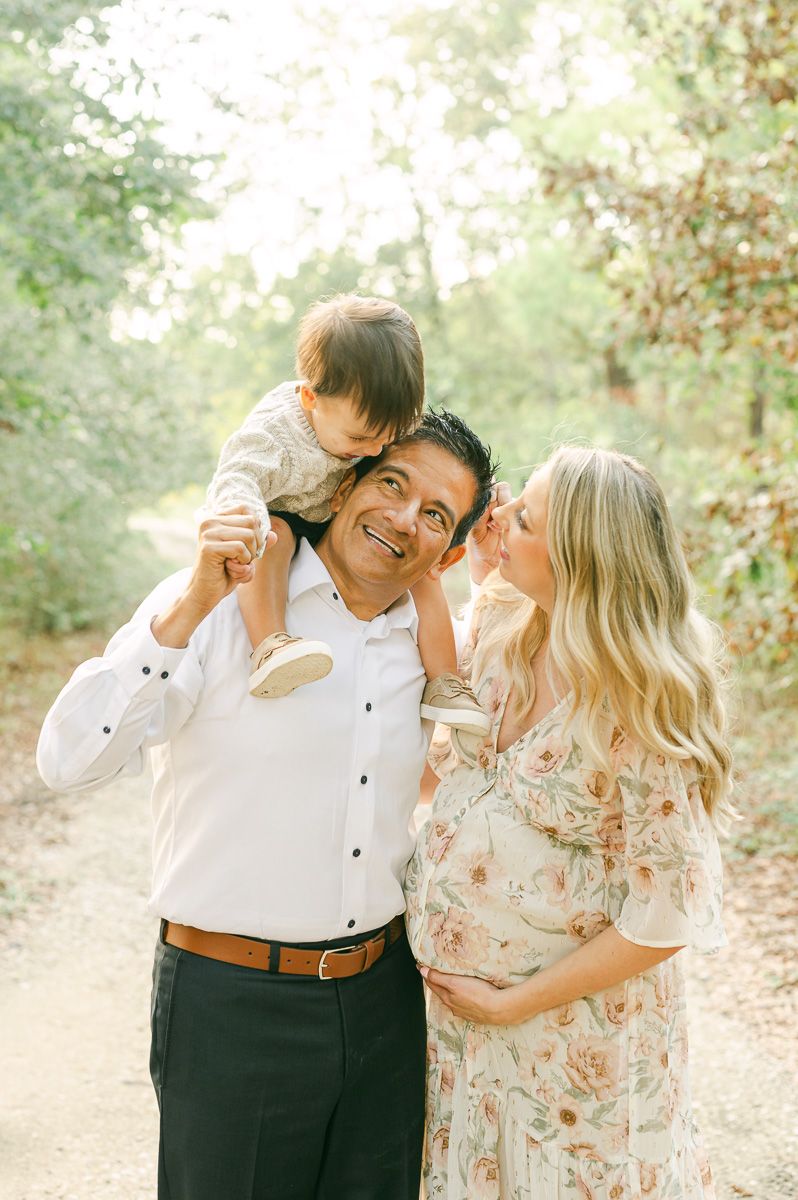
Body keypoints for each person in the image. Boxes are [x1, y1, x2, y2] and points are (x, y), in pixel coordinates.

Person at [36, 411, 496, 1200]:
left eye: (434, 514)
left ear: (447, 552)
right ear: (344, 482)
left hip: (384, 1000)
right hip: (231, 1004)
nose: (402, 520)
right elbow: (67, 762)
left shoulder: (438, 650)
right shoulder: (228, 600)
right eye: (393, 482)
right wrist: (188, 605)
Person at [404, 445, 733, 1200]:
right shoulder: (503, 627)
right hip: (462, 1037)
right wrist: (495, 565)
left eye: (522, 516)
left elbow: (665, 914)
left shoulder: (642, 697)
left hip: (573, 1044)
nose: (496, 517)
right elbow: (449, 772)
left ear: (578, 555)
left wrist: (511, 1003)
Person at [205, 292, 489, 739]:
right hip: (285, 516)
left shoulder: (369, 415)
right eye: (362, 439)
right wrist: (246, 522)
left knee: (423, 574)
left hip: (334, 512)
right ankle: (270, 645)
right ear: (310, 397)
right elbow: (235, 479)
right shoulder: (272, 437)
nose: (375, 450)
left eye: (387, 438)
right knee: (272, 538)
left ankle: (445, 682)